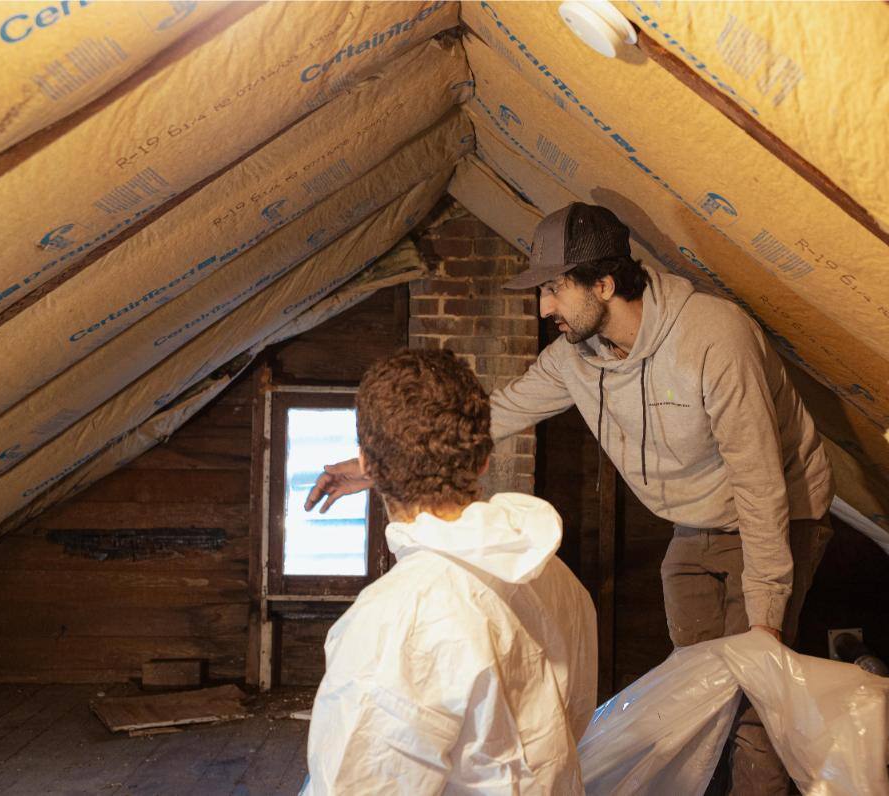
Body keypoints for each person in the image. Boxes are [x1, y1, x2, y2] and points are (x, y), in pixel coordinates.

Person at [308, 203, 834, 794]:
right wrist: (376, 466)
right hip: (696, 522)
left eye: (555, 288)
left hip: (780, 512)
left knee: (753, 693)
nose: (544, 307)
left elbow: (762, 485)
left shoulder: (714, 339)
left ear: (604, 284)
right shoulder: (573, 360)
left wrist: (766, 624)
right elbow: (492, 413)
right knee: (697, 686)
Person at [301, 349, 597, 795]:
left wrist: (381, 465)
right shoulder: (552, 574)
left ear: (364, 463)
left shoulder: (394, 623)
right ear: (483, 460)